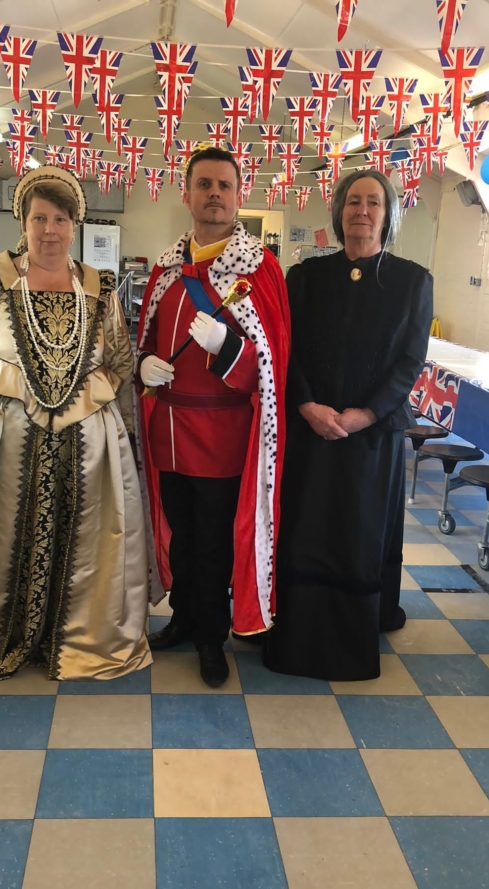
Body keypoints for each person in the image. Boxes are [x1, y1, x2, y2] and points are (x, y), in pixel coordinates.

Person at [0, 166, 150, 684]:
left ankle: (73, 638)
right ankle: (0, 633)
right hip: (3, 440)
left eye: (60, 218)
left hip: (88, 444)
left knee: (83, 544)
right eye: (39, 217)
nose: (50, 230)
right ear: (24, 221)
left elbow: (122, 363)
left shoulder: (98, 285)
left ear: (74, 224)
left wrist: (105, 408)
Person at [264, 169, 433, 682]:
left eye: (374, 202)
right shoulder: (306, 277)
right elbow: (285, 351)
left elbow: (409, 362)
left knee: (359, 530)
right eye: (353, 201)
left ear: (388, 213)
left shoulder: (412, 281)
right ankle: (296, 633)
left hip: (371, 436)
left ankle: (356, 632)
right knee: (307, 527)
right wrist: (308, 405)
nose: (362, 210)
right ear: (338, 212)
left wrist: (365, 414)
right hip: (311, 431)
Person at [136, 145, 290, 688]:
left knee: (213, 542)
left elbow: (271, 370)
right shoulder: (165, 270)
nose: (215, 194)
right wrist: (142, 364)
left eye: (224, 185)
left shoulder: (261, 270)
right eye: (204, 184)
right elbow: (145, 342)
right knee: (180, 535)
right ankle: (183, 616)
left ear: (240, 193)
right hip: (169, 434)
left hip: (224, 438)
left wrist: (229, 348)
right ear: (187, 193)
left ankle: (210, 635)